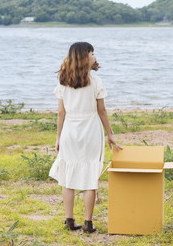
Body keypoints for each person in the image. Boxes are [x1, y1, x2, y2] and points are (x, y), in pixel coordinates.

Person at [49, 42, 121, 234]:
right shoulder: (95, 81)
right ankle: (88, 223)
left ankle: (69, 220)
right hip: (90, 130)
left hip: (69, 131)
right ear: (84, 57)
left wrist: (58, 137)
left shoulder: (63, 80)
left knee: (68, 177)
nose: (94, 56)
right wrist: (110, 134)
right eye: (91, 53)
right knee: (90, 176)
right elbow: (102, 110)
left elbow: (61, 113)